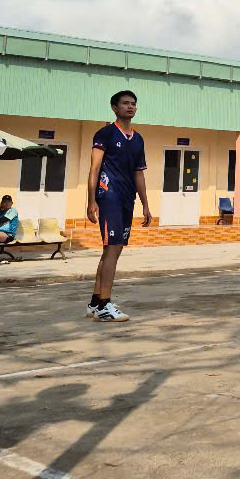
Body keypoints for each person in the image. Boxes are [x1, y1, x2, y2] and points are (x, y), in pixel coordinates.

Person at [85, 90, 151, 323]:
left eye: (133, 103)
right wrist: (91, 200)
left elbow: (139, 174)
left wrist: (145, 204)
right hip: (109, 196)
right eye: (125, 103)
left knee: (112, 250)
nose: (130, 107)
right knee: (112, 248)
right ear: (114, 108)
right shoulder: (105, 134)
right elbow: (94, 169)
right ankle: (105, 306)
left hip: (127, 199)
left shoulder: (138, 139)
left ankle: (95, 302)